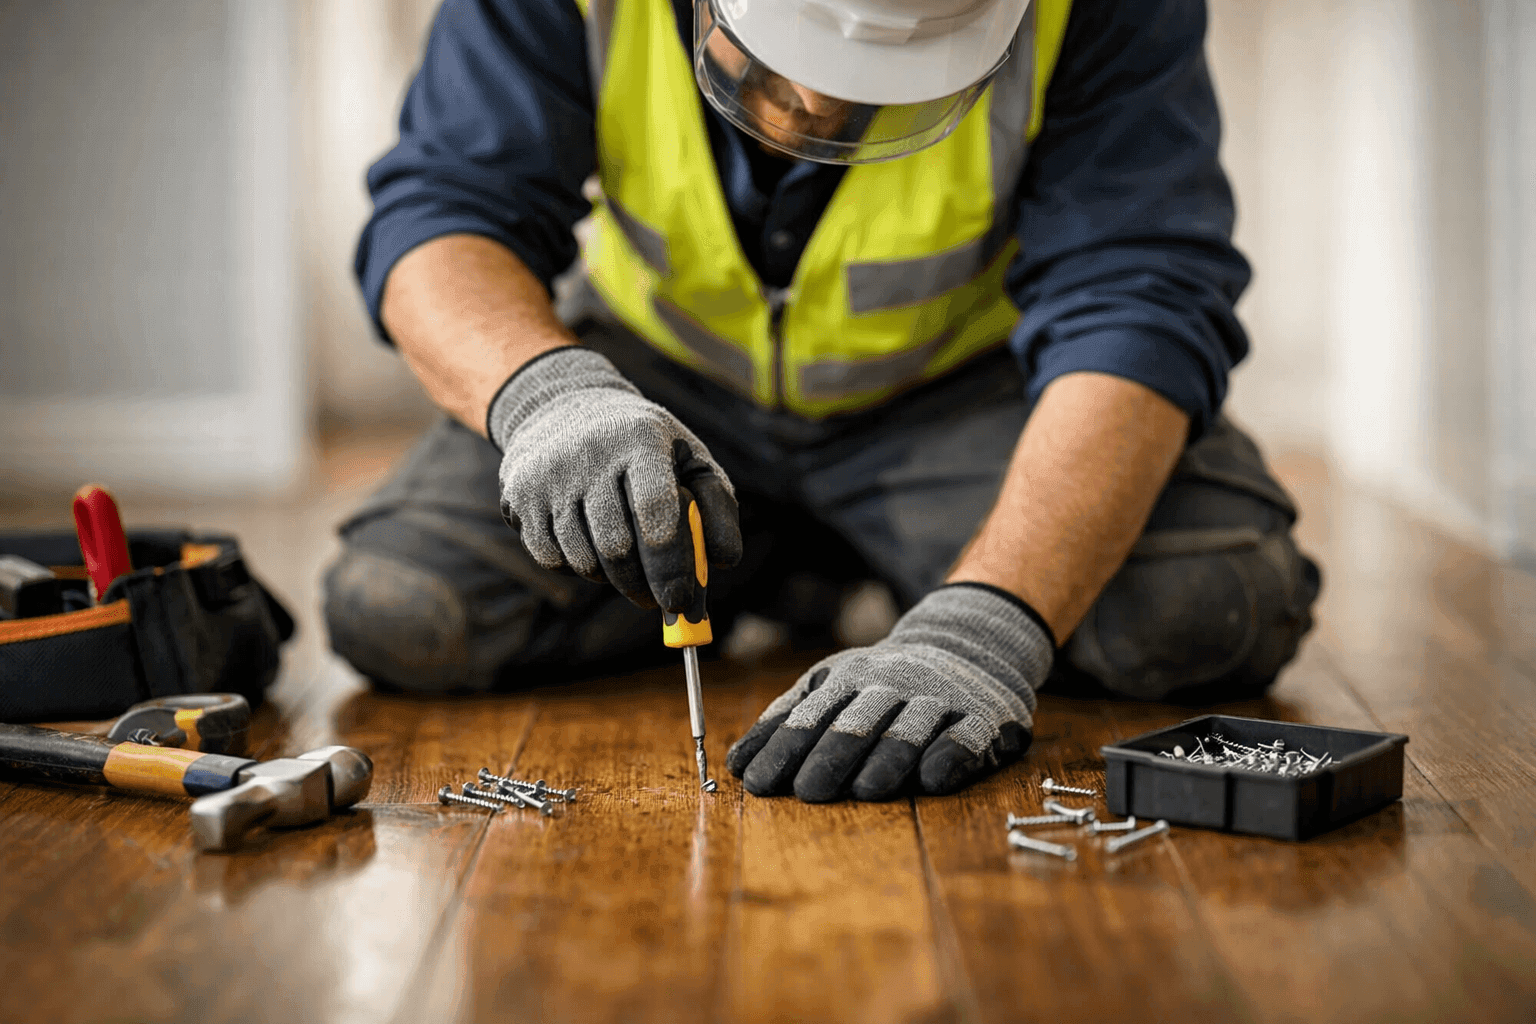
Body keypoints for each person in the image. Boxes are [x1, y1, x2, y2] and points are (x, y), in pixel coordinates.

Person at [325, 0, 1321, 802]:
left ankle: (885, 572)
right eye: (781, 64)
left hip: (956, 399)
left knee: (1202, 602)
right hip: (653, 390)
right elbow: (444, 214)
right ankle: (803, 564)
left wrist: (988, 627)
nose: (814, 112)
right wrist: (548, 397)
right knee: (406, 605)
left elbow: (1138, 295)